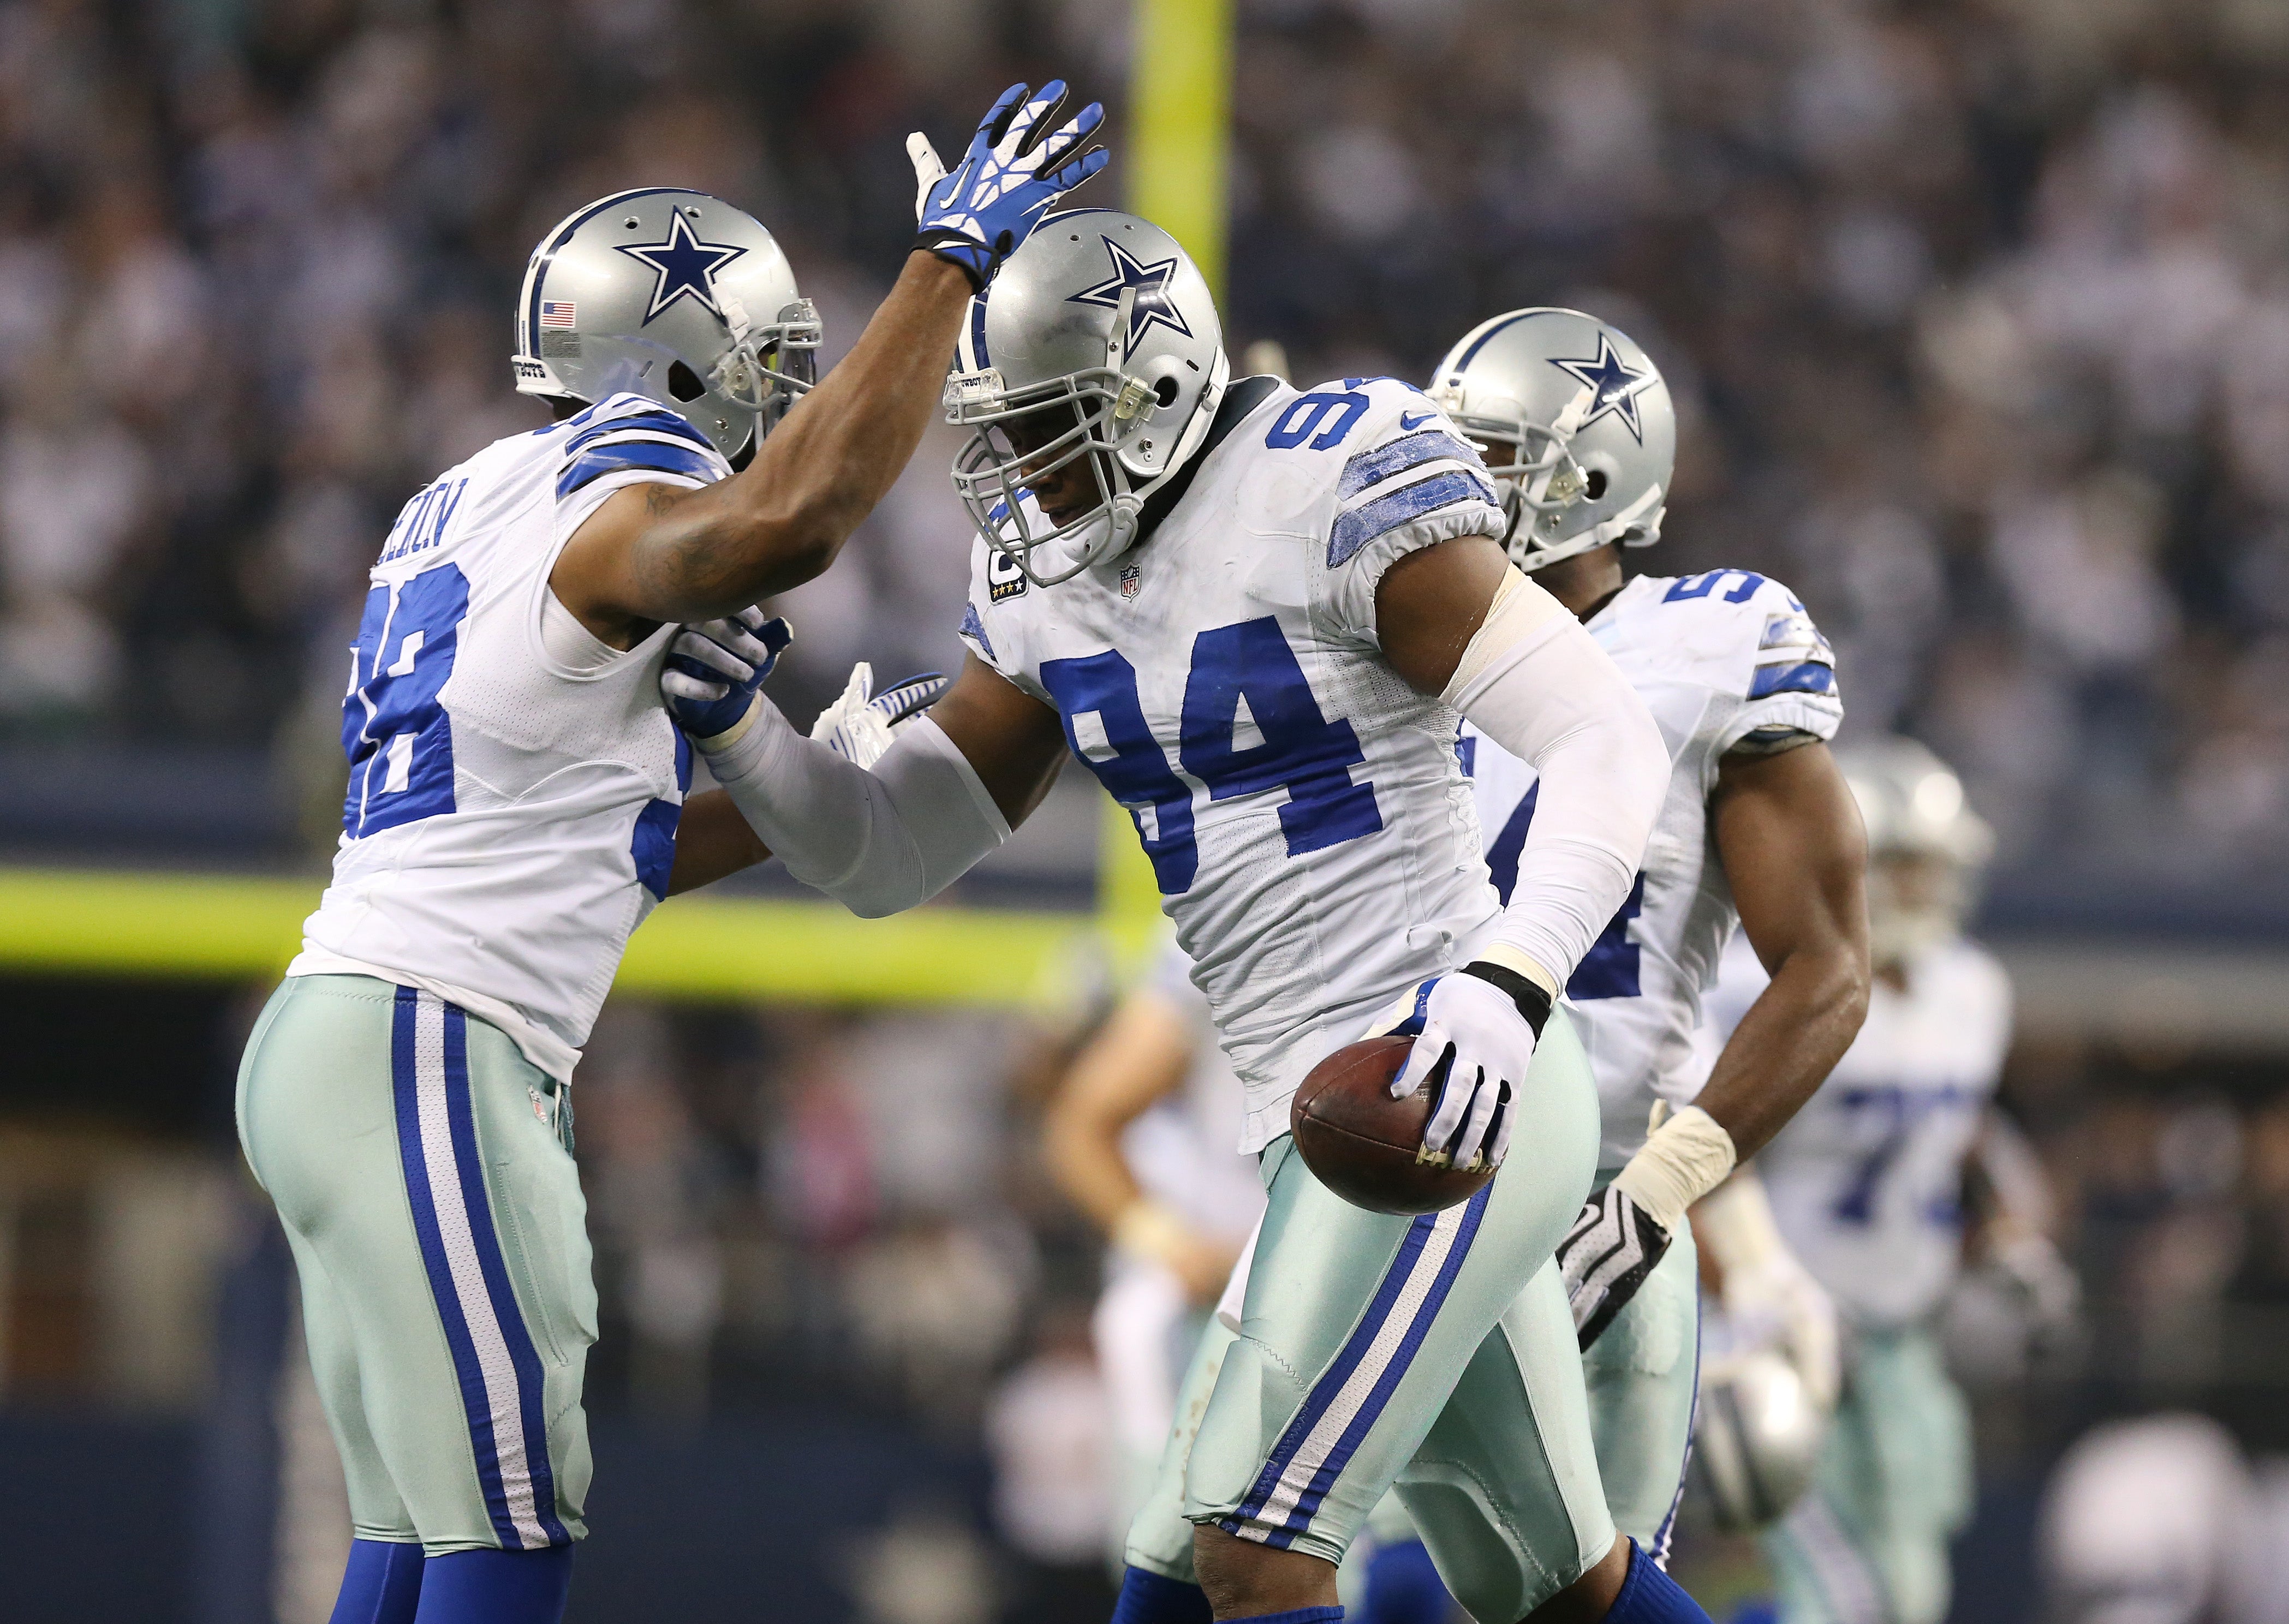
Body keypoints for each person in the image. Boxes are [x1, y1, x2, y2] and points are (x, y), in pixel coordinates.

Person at [663, 211, 1705, 1623]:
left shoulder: (1331, 480)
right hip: (1311, 1106)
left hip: (1443, 1073)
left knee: (1247, 1552)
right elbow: (893, 854)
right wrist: (747, 744)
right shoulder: (1050, 584)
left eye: (1044, 428)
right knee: (1545, 1585)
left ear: (1152, 393)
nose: (1016, 471)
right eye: (1004, 432)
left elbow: (1606, 741)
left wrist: (1508, 980)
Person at [231, 83, 1107, 1624]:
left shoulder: (469, 498)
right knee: (510, 1533)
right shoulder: (616, 500)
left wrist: (787, 772)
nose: (780, 402)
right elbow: (802, 516)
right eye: (767, 367)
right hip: (434, 1043)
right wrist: (949, 264)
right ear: (683, 359)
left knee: (418, 1534)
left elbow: (592, 843)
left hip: (344, 1031)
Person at [1128, 308, 1874, 1624]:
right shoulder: (1392, 629)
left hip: (1590, 1197)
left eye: (1492, 457)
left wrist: (1660, 1196)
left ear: (1595, 482)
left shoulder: (1713, 639)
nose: (1452, 481)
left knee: (1500, 1591)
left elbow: (1825, 969)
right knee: (1204, 1546)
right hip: (1401, 1148)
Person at [1704, 738, 2073, 1624]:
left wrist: (2007, 1232)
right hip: (1783, 1327)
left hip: (1904, 1326)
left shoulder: (1970, 988)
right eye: (1903, 865)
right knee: (1824, 1592)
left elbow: (1959, 1129)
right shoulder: (1756, 981)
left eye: (1934, 867)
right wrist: (1742, 1292)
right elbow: (1702, 1162)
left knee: (1909, 1588)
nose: (1924, 888)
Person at [1041, 939, 1266, 1571]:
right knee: (1172, 1549)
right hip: (1210, 1301)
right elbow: (1080, 1126)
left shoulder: (1437, 905)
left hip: (1368, 1275)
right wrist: (1170, 1246)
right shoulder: (1219, 934)